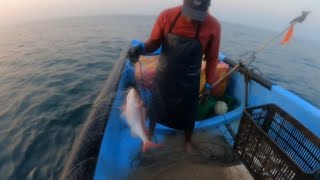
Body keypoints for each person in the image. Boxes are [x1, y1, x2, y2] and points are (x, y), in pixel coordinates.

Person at [127, 0, 221, 151]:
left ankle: (188, 141)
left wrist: (210, 83)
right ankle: (148, 137)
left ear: (207, 8)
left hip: (189, 83)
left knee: (189, 115)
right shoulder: (166, 16)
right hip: (164, 79)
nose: (192, 19)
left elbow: (212, 58)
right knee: (155, 109)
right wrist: (142, 48)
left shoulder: (213, 26)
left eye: (198, 15)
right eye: (190, 13)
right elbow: (154, 42)